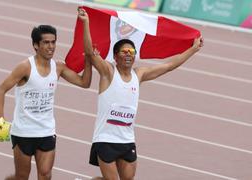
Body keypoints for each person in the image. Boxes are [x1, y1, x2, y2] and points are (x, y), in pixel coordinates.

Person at [77, 8, 203, 180]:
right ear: (115, 56)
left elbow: (168, 66)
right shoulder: (108, 72)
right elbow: (90, 53)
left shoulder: (139, 75)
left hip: (127, 140)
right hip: (105, 139)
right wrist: (86, 23)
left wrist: (193, 50)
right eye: (124, 52)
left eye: (132, 52)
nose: (129, 55)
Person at [0, 24, 92, 180]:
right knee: (21, 176)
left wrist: (89, 60)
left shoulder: (58, 67)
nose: (51, 46)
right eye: (46, 42)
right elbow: (0, 90)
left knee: (45, 174)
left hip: (46, 130)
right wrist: (0, 119)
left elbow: (84, 83)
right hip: (23, 132)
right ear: (35, 45)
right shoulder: (25, 67)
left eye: (53, 42)